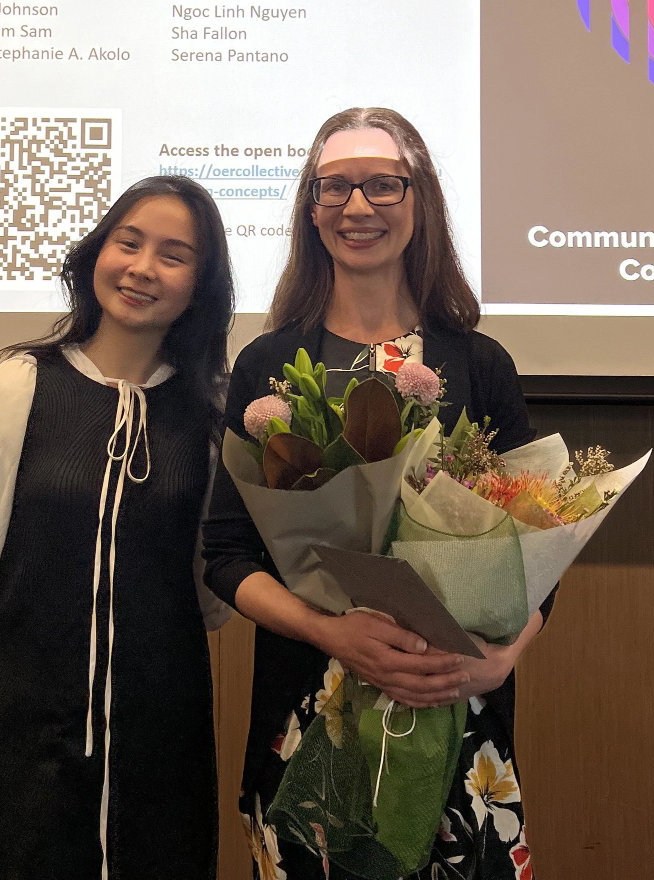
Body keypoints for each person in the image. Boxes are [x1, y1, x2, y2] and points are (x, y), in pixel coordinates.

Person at [203, 109, 556, 880]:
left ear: (418, 199)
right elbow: (225, 553)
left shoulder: (477, 363)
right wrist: (329, 631)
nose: (356, 208)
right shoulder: (269, 362)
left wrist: (499, 661)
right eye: (334, 188)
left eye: (382, 185)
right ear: (311, 207)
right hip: (306, 725)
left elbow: (537, 551)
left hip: (456, 721)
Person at [0, 176, 235, 880]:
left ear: (199, 287)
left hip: (161, 727)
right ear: (97, 252)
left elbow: (207, 595)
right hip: (19, 722)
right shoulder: (22, 385)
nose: (142, 268)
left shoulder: (204, 421)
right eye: (129, 242)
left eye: (174, 255)